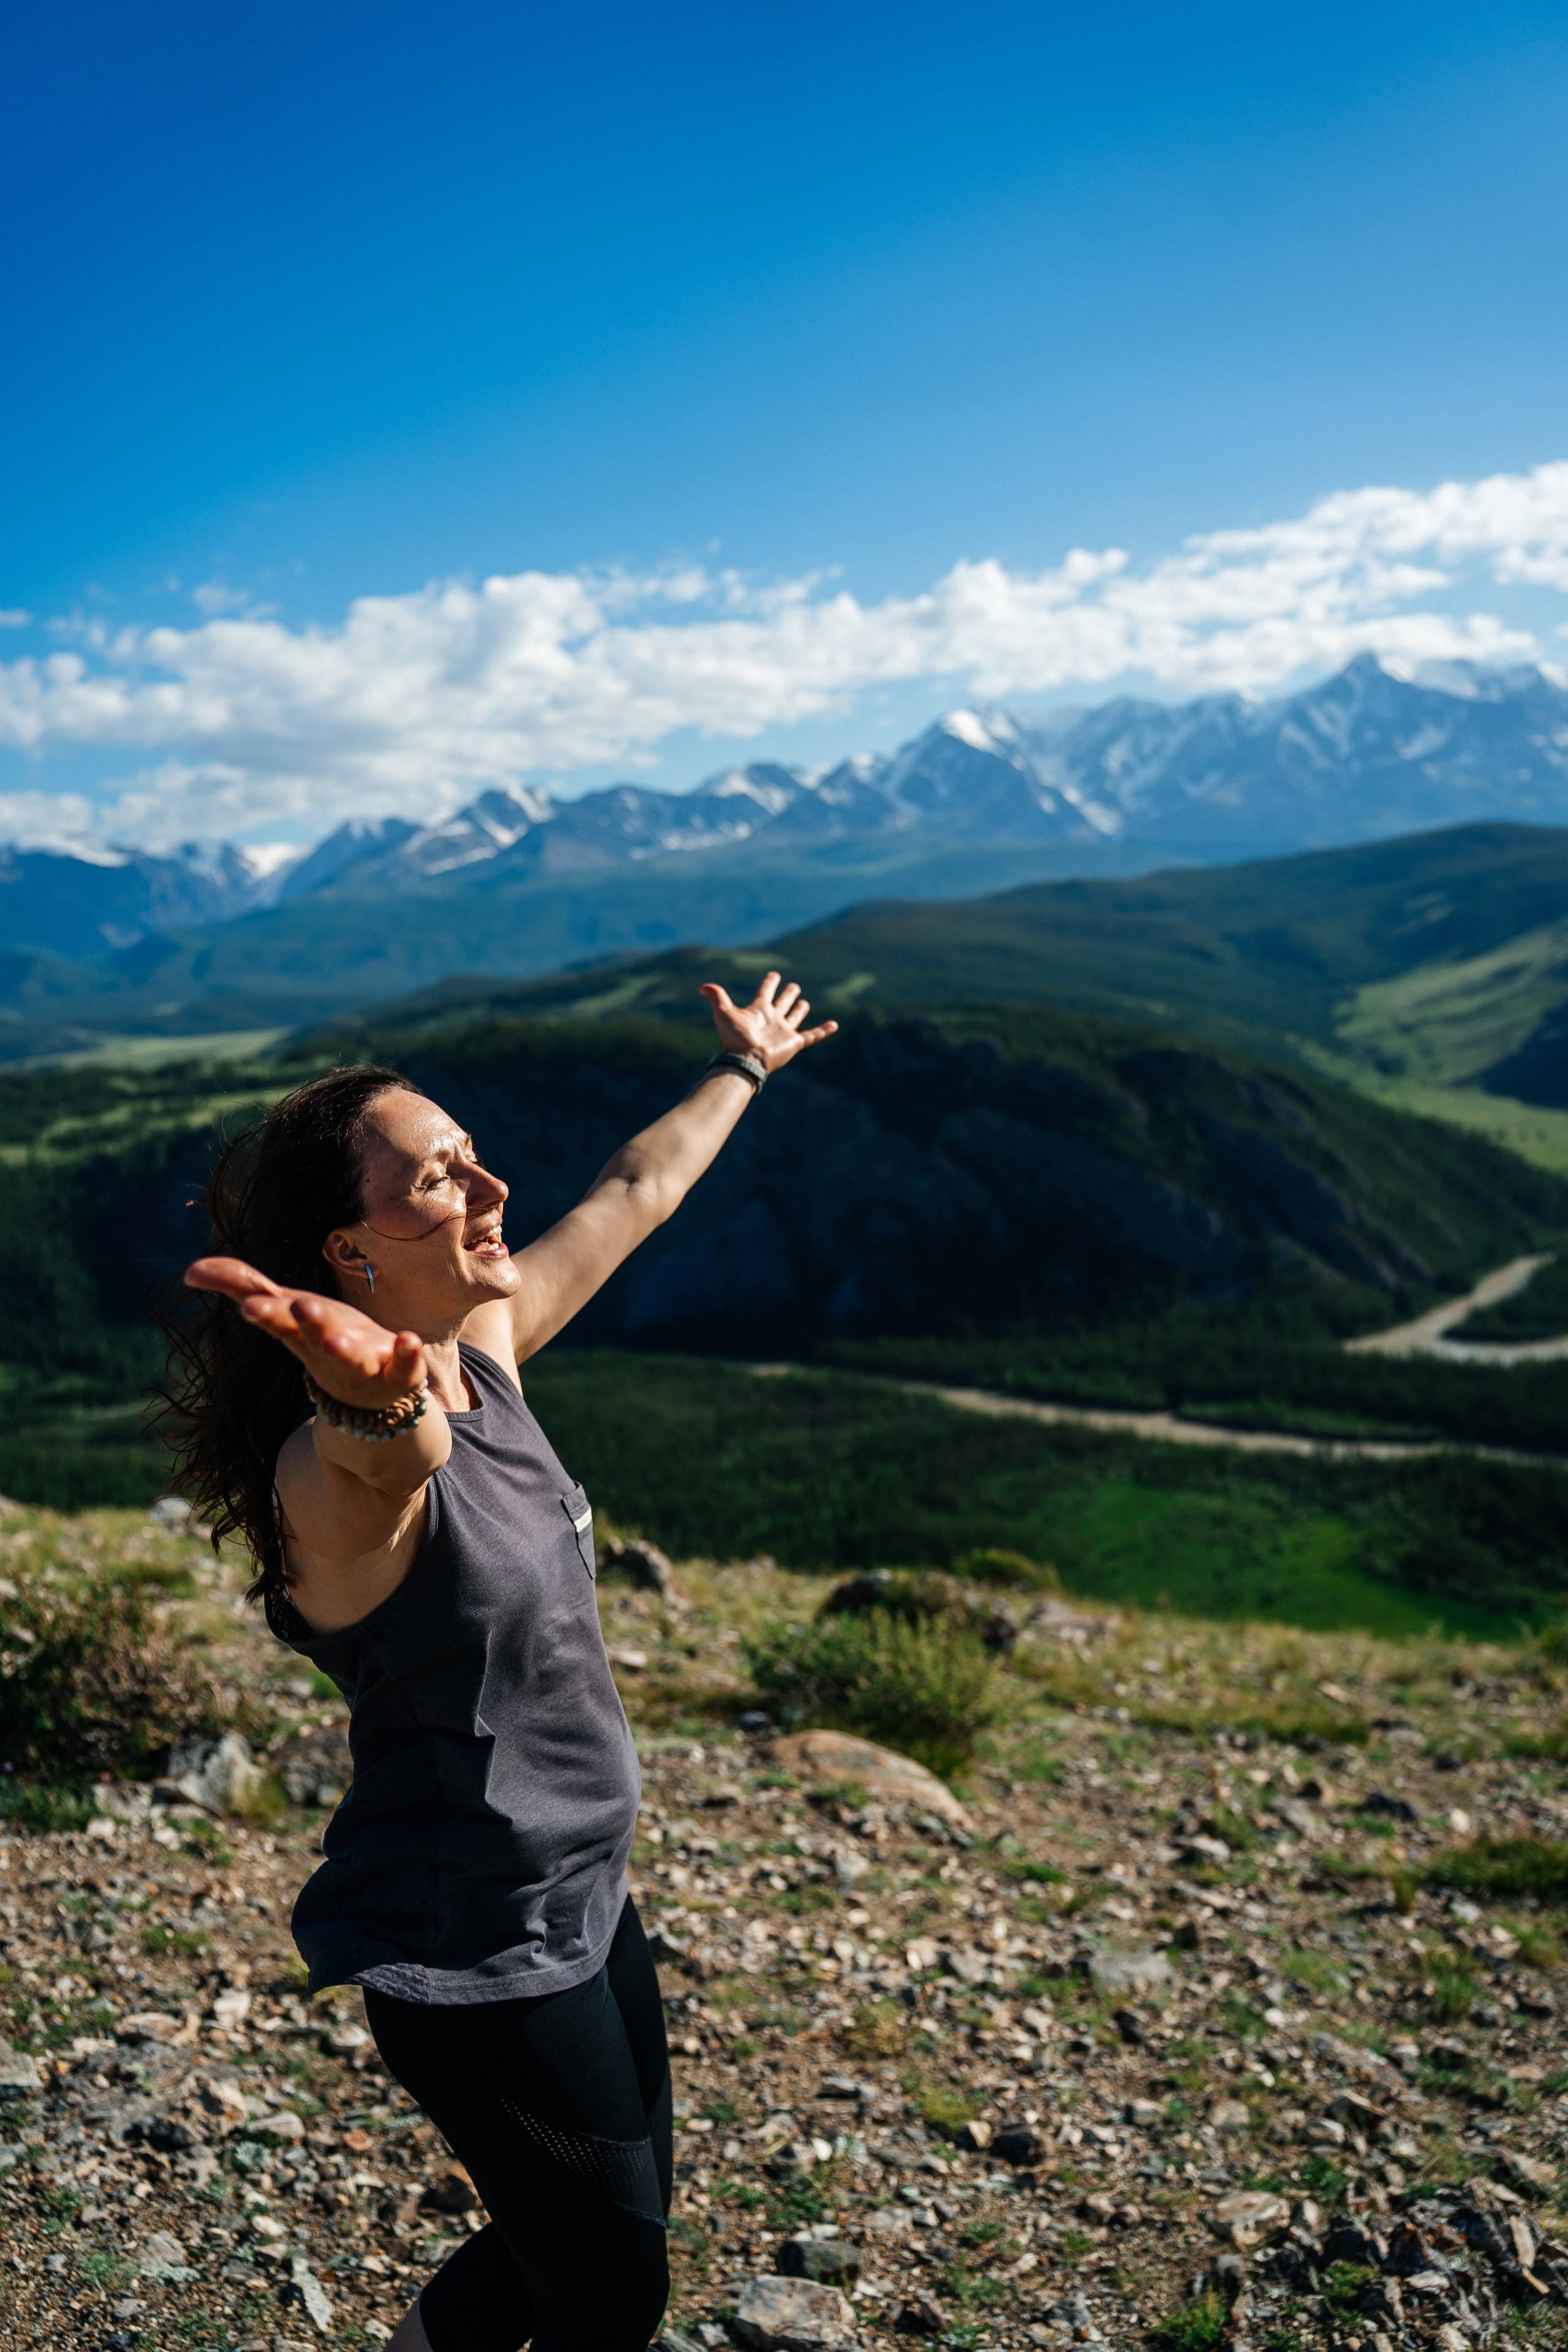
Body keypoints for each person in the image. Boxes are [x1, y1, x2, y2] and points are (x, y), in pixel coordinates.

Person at [165, 972, 837, 2352]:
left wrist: (744, 1069)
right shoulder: (330, 1466)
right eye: (436, 1178)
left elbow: (631, 1194)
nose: (489, 1187)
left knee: (607, 2224)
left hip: (580, 1893)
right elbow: (384, 1465)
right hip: (474, 1950)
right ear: (348, 1254)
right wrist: (368, 1395)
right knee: (610, 2298)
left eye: (469, 1156)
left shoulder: (486, 1342)